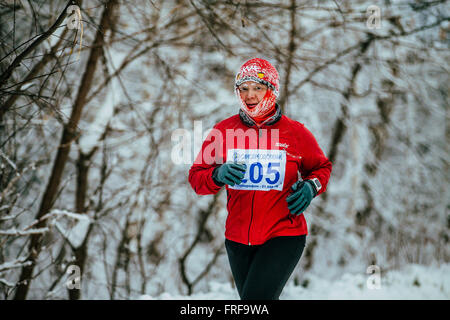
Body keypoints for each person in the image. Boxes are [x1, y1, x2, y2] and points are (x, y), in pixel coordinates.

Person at [188, 58, 332, 300]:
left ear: (272, 90)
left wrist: (311, 186)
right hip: (237, 238)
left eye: (258, 88)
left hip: (284, 234)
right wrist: (217, 174)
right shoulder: (223, 131)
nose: (250, 95)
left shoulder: (295, 133)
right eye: (243, 89)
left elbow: (321, 167)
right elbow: (196, 178)